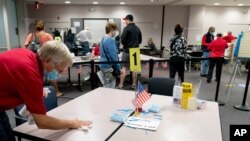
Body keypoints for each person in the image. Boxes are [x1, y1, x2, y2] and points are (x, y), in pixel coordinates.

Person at [0, 41, 92, 141]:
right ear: (47, 60)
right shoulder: (30, 74)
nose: (59, 75)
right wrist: (73, 123)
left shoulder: (30, 56)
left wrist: (34, 92)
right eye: (59, 71)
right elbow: (42, 122)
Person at [23, 19, 62, 97]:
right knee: (51, 75)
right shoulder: (48, 35)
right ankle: (57, 92)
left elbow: (25, 46)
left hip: (35, 59)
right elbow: (54, 46)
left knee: (38, 75)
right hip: (47, 58)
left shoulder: (31, 35)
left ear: (35, 27)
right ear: (44, 27)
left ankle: (38, 92)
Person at [118, 14, 142, 89]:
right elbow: (140, 40)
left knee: (124, 68)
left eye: (125, 20)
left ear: (128, 19)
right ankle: (134, 84)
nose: (125, 21)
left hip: (126, 51)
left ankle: (121, 84)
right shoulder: (138, 28)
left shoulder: (126, 28)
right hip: (135, 50)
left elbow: (123, 40)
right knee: (134, 69)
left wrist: (125, 44)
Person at [99, 22, 121, 88]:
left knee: (105, 84)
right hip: (109, 66)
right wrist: (119, 68)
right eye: (115, 30)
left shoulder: (103, 38)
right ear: (112, 30)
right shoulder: (110, 40)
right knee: (111, 86)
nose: (116, 32)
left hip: (102, 64)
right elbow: (114, 57)